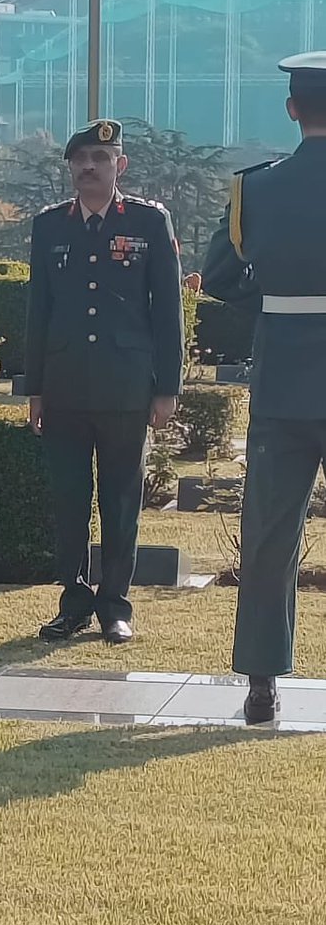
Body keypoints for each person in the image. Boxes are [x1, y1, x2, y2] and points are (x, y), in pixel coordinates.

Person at [25, 119, 184, 645]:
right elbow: (38, 311)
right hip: (65, 387)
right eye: (80, 159)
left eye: (100, 158)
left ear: (121, 165)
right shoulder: (50, 225)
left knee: (119, 502)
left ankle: (115, 605)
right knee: (69, 501)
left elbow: (168, 310)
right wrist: (35, 389)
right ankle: (72, 603)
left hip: (125, 386)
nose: (88, 167)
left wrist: (167, 387)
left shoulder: (148, 221)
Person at [203, 51, 326, 725]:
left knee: (270, 538)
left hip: (281, 378)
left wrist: (276, 301)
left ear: (291, 109)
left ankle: (260, 681)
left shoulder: (255, 189)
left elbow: (221, 276)